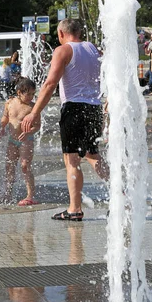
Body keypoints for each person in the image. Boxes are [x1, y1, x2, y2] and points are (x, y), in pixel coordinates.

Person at [21, 19, 109, 221]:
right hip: (94, 108)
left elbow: (50, 83)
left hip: (74, 108)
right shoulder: (93, 49)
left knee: (71, 160)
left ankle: (74, 209)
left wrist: (34, 112)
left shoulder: (63, 51)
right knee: (93, 155)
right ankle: (122, 194)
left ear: (61, 33)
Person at [0, 77, 39, 205]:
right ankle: (8, 193)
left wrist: (28, 132)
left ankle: (30, 195)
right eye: (28, 94)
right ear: (19, 92)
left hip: (27, 140)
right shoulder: (10, 103)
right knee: (10, 166)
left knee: (25, 166)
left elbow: (37, 126)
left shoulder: (33, 108)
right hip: (12, 140)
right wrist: (2, 127)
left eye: (33, 94)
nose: (31, 97)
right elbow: (5, 118)